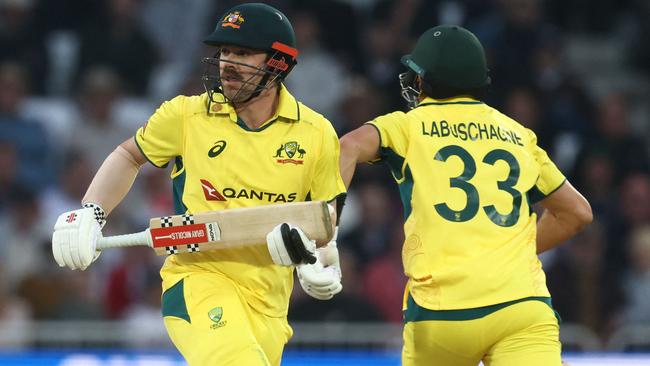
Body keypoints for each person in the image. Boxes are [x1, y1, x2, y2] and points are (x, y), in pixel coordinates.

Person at [51, 3, 346, 365]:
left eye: (242, 52)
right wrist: (92, 211)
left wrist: (323, 262)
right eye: (224, 51)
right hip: (198, 280)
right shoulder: (186, 115)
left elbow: (325, 217)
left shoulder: (316, 133)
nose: (227, 63)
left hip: (270, 303)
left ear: (278, 63)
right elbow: (129, 156)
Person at [339, 25, 593, 366]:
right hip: (520, 304)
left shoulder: (408, 125)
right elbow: (578, 213)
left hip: (443, 311)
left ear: (424, 81)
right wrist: (505, 250)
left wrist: (325, 232)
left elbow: (348, 147)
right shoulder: (517, 133)